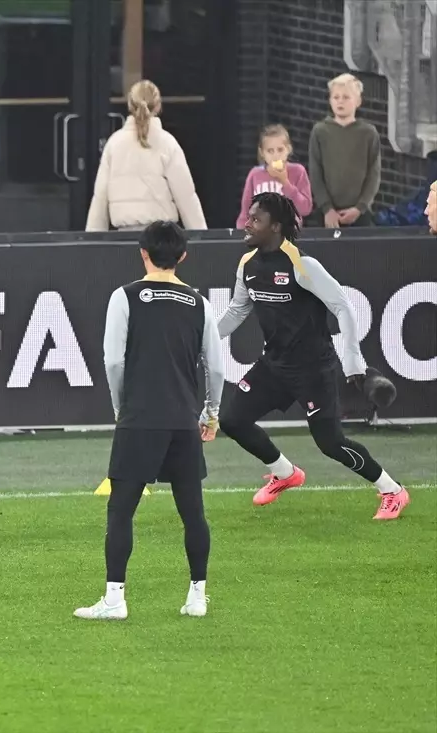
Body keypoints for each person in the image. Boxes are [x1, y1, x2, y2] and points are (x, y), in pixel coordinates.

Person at [217, 191, 410, 519]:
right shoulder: (247, 264)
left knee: (331, 444)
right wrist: (204, 340)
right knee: (232, 420)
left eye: (256, 219)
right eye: (248, 217)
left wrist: (353, 359)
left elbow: (343, 307)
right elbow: (237, 310)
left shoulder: (302, 265)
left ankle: (393, 491)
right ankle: (284, 472)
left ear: (275, 226)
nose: (246, 224)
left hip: (313, 370)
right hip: (274, 365)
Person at [74, 221, 224, 621]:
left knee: (121, 509)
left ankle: (115, 599)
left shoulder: (124, 297)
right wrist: (211, 413)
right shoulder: (199, 303)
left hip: (140, 418)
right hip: (183, 419)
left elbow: (113, 361)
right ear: (183, 256)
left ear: (143, 253)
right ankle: (197, 597)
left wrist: (120, 407)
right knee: (193, 512)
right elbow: (216, 366)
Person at [85, 79, 207, 232]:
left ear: (130, 105)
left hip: (124, 236)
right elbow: (186, 196)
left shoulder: (114, 144)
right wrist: (200, 235)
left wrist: (93, 237)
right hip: (161, 236)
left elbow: (100, 198)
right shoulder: (167, 143)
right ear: (158, 106)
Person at [307, 73, 380, 229]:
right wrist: (327, 208)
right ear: (330, 100)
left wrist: (360, 208)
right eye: (336, 97)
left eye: (346, 97)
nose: (340, 101)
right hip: (327, 214)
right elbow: (315, 173)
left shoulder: (368, 133)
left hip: (360, 214)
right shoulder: (320, 131)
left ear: (358, 101)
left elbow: (374, 174)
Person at [236, 124, 313, 228]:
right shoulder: (255, 174)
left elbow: (305, 209)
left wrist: (285, 182)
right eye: (270, 151)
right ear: (262, 153)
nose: (276, 156)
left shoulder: (298, 171)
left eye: (280, 150)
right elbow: (245, 211)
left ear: (288, 149)